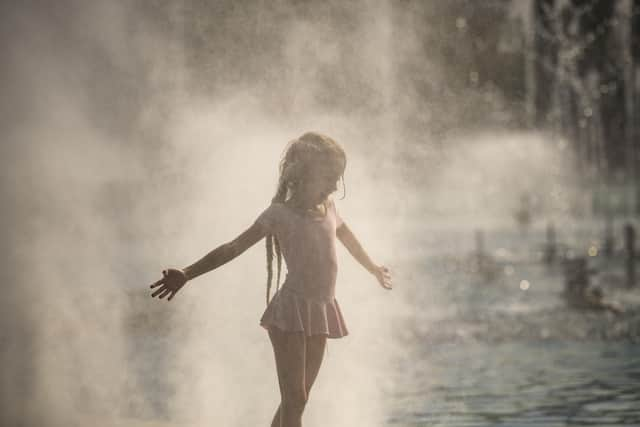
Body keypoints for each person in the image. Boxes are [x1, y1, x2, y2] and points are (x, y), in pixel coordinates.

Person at [149, 132, 392, 427]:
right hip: (291, 312)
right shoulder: (279, 214)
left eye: (337, 178)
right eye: (329, 178)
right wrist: (187, 273)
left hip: (322, 309)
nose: (334, 186)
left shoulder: (329, 208)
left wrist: (374, 268)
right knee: (295, 400)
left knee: (298, 401)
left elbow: (347, 237)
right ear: (303, 174)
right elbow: (233, 247)